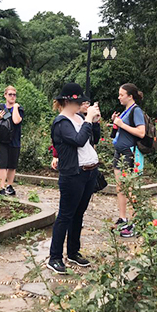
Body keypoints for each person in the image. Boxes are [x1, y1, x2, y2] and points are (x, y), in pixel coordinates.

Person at [48, 83, 101, 275]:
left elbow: (92, 139)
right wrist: (87, 119)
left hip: (89, 172)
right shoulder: (61, 123)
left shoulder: (79, 118)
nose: (83, 104)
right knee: (65, 216)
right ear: (70, 101)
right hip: (73, 175)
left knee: (79, 214)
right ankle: (54, 257)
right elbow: (78, 141)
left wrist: (94, 122)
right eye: (80, 101)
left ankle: (72, 252)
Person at [111, 83, 146, 238]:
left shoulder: (136, 110)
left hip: (129, 153)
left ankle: (136, 222)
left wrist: (122, 124)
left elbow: (141, 132)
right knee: (120, 187)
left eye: (121, 94)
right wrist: (116, 123)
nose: (119, 97)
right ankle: (123, 218)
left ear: (130, 96)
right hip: (119, 152)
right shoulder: (126, 111)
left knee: (130, 188)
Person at [0, 86, 24, 196]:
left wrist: (14, 107)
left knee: (12, 165)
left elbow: (16, 120)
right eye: (10, 94)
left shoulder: (19, 108)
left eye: (14, 95)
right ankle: (2, 187)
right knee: (2, 163)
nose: (12, 97)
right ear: (5, 95)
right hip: (1, 139)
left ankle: (9, 185)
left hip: (14, 140)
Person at [51, 100, 101, 170]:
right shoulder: (65, 121)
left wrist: (95, 122)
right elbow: (77, 140)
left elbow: (95, 139)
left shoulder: (83, 119)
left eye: (88, 103)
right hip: (75, 167)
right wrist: (55, 156)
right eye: (84, 103)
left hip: (90, 166)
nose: (87, 106)